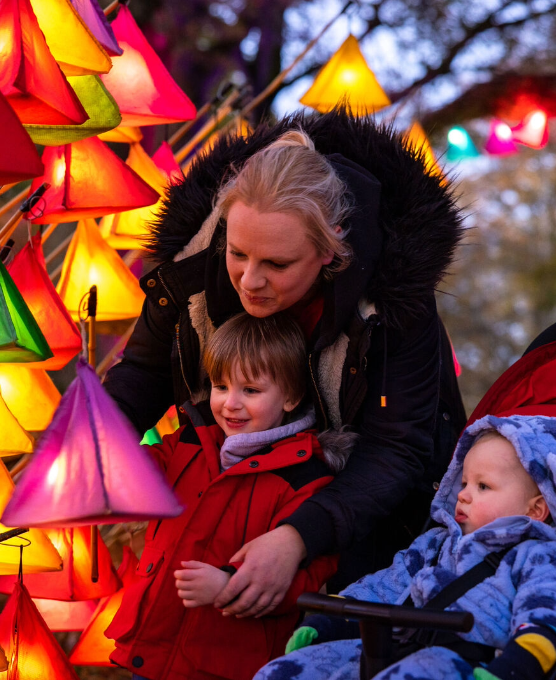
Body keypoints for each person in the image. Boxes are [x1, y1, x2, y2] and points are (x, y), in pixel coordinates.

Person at [104, 107, 467, 615]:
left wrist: (299, 537)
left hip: (368, 516)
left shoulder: (395, 304)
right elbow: (144, 372)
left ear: (331, 250)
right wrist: (94, 441)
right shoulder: (191, 267)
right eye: (237, 253)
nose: (249, 280)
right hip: (233, 492)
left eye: (276, 264)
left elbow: (397, 449)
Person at [105, 312, 348, 680]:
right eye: (221, 386)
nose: (230, 403)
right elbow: (136, 475)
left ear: (290, 396)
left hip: (225, 663)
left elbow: (307, 579)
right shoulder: (188, 442)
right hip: (153, 648)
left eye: (250, 391)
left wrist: (229, 586)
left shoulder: (303, 477)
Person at [255, 414, 556, 680]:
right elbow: (383, 588)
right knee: (288, 669)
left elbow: (544, 620)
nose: (463, 496)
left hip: (467, 664)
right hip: (395, 648)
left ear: (536, 509)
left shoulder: (538, 557)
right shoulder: (434, 545)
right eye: (463, 483)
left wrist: (512, 670)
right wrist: (330, 622)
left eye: (483, 486)